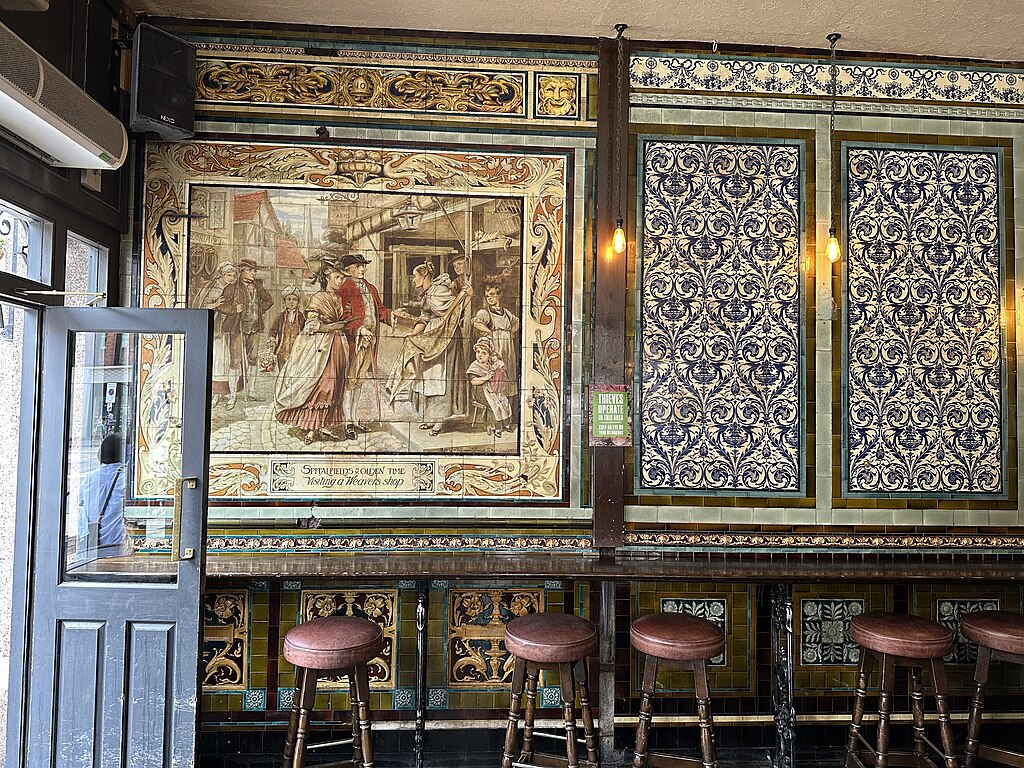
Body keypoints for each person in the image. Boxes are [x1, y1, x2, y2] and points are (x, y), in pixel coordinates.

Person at [386, 262, 472, 436]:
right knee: (426, 375)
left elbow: (456, 310)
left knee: (439, 376)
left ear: (424, 276)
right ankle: (431, 416)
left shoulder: (439, 291)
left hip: (445, 337)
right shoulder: (426, 294)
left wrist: (468, 297)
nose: (414, 280)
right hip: (431, 336)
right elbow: (424, 317)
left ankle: (440, 420)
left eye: (416, 276)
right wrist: (413, 334)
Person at [274, 263, 351, 444]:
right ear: (327, 277)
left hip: (338, 345)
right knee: (322, 386)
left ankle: (324, 425)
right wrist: (330, 326)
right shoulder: (317, 298)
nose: (340, 281)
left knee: (336, 386)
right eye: (337, 277)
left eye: (342, 278)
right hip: (321, 348)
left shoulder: (339, 299)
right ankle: (311, 429)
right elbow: (310, 325)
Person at [337, 253, 392, 437]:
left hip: (370, 341)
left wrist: (393, 315)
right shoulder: (344, 289)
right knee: (349, 381)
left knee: (359, 381)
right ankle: (347, 423)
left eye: (363, 266)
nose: (362, 269)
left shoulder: (370, 288)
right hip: (354, 341)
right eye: (358, 266)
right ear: (349, 269)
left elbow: (380, 310)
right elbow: (343, 317)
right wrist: (359, 329)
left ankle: (355, 418)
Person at [195, 262, 244, 409]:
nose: (232, 278)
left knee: (232, 360)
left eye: (234, 275)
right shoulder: (211, 286)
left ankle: (230, 392)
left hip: (231, 328)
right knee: (217, 361)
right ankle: (216, 394)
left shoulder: (235, 288)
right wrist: (216, 305)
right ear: (221, 274)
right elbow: (200, 305)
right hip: (216, 329)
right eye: (229, 275)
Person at [77, 433, 127, 561]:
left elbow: (82, 503)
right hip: (117, 540)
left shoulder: (91, 477)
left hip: (95, 541)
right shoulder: (126, 477)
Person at [472, 283, 520, 405]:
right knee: (497, 371)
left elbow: (517, 322)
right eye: (487, 296)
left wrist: (511, 333)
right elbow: (476, 323)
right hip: (495, 344)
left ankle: (508, 403)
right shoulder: (485, 312)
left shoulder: (506, 312)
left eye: (492, 295)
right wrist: (490, 332)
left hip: (507, 346)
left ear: (499, 295)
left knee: (508, 368)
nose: (489, 298)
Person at [234, 258, 274, 401]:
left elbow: (269, 300)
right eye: (250, 270)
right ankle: (233, 394)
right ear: (242, 271)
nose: (253, 273)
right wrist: (235, 309)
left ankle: (251, 391)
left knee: (253, 359)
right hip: (238, 328)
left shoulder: (257, 286)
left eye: (254, 271)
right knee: (236, 360)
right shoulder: (234, 286)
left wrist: (259, 309)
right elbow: (225, 304)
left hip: (255, 328)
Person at [466, 337, 512, 437]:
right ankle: (495, 428)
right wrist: (486, 377)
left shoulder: (491, 365)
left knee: (504, 402)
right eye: (478, 352)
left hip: (492, 390)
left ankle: (505, 424)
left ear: (489, 355)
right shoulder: (474, 366)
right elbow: (473, 382)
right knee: (494, 405)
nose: (480, 355)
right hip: (480, 392)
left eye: (484, 353)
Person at [268, 286, 306, 367]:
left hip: (297, 351)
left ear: (298, 302)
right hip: (282, 351)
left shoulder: (301, 317)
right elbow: (273, 330)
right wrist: (272, 340)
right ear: (284, 301)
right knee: (282, 373)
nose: (291, 302)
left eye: (294, 300)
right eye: (289, 299)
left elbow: (305, 332)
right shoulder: (280, 317)